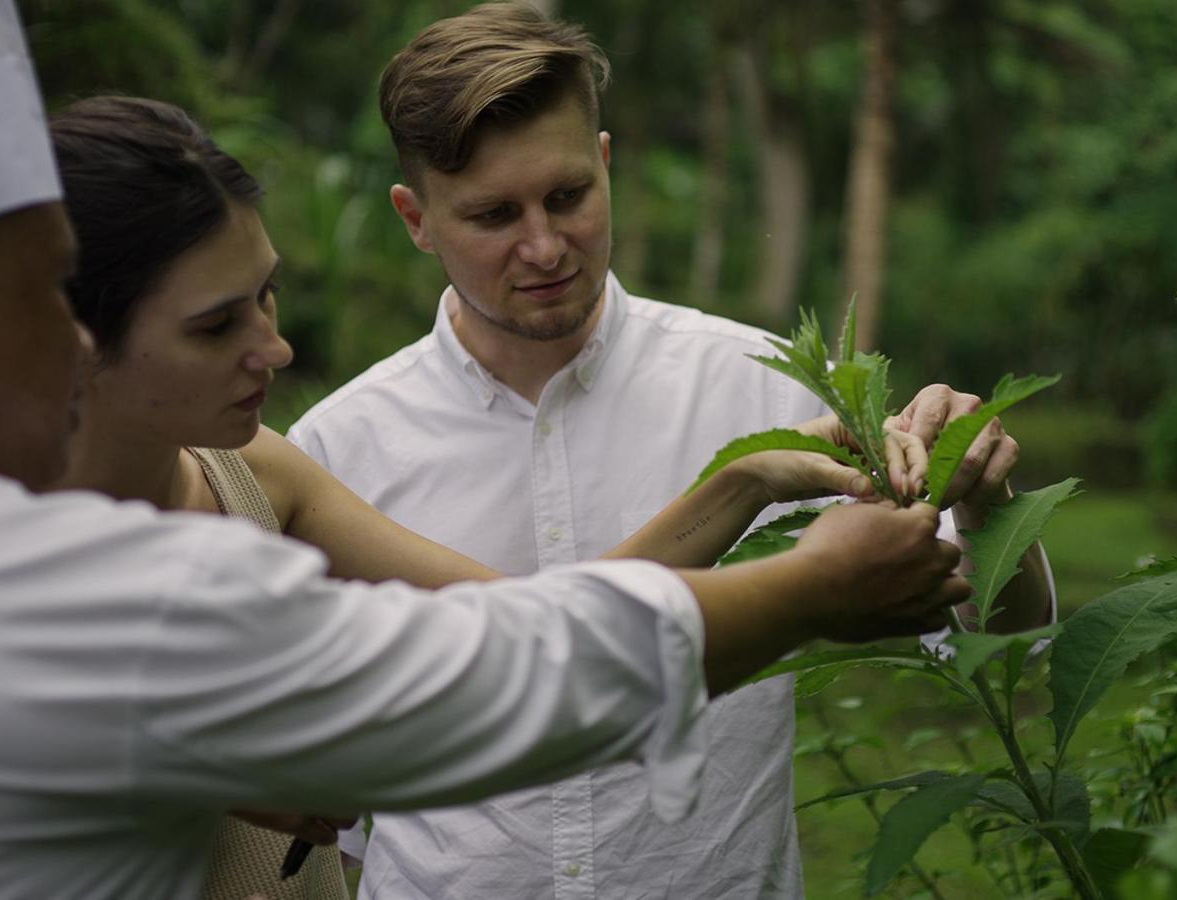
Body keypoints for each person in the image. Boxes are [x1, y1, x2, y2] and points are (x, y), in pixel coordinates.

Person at [0, 3, 971, 898]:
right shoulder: (46, 583)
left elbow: (519, 625)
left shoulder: (256, 474)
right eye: (211, 325)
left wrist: (741, 481)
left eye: (268, 295)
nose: (275, 348)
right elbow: (498, 680)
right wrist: (805, 589)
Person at [288, 4, 1054, 897]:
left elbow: (1002, 644)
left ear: (606, 163)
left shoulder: (767, 389)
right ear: (415, 219)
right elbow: (318, 803)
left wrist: (980, 500)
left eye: (568, 196)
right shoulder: (337, 452)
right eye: (494, 215)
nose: (544, 246)